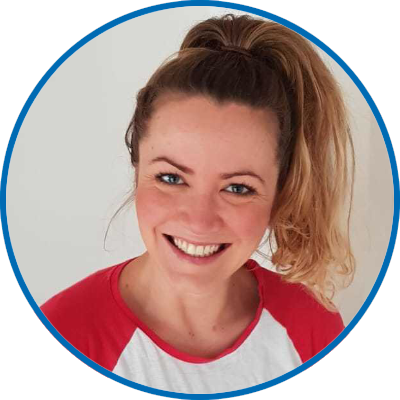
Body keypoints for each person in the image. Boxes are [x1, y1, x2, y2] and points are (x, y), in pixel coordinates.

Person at [40, 13, 355, 394]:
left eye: (237, 188)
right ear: (137, 166)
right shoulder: (65, 332)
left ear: (282, 189)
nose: (199, 221)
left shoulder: (313, 327)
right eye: (172, 178)